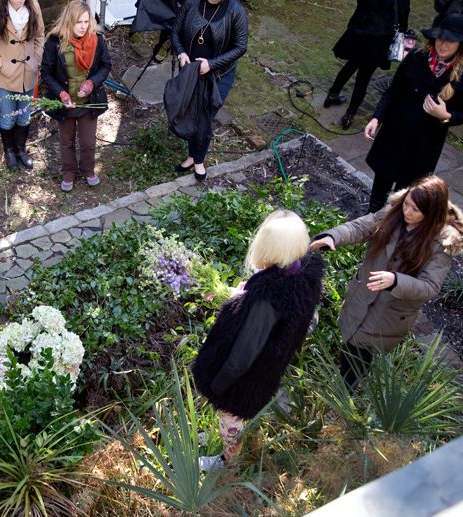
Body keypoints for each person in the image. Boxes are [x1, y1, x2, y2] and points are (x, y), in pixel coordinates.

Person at [191, 211, 325, 471]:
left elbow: (241, 357)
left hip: (244, 382)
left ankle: (229, 461)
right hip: (268, 370)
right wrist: (238, 297)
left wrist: (217, 387)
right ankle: (231, 439)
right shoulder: (301, 274)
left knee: (231, 419)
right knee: (236, 417)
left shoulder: (268, 298)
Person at [310, 176, 463, 388]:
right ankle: (345, 382)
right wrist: (333, 237)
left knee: (359, 359)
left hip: (388, 315)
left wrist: (396, 281)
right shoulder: (395, 212)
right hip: (362, 297)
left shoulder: (441, 243)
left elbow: (430, 287)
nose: (407, 212)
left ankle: (345, 396)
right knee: (351, 344)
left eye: (415, 210)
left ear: (431, 214)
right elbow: (362, 227)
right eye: (406, 204)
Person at [363, 14, 463, 213]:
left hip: (424, 145)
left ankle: (391, 224)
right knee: (380, 185)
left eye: (450, 41)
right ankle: (370, 219)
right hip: (395, 133)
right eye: (440, 39)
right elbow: (393, 91)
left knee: (405, 194)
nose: (443, 45)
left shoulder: (461, 75)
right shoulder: (416, 58)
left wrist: (446, 116)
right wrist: (376, 118)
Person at [170, 0, 248, 180]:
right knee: (191, 113)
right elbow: (175, 32)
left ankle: (198, 160)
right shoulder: (191, 3)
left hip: (219, 74)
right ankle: (192, 156)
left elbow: (241, 46)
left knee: (205, 117)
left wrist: (211, 65)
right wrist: (181, 52)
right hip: (191, 72)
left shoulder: (236, 11)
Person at [41, 1, 112, 192]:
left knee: (88, 142)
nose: (83, 26)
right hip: (66, 104)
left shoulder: (97, 40)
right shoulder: (55, 42)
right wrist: (62, 94)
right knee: (67, 141)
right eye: (78, 22)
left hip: (88, 102)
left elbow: (105, 66)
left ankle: (88, 169)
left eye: (86, 22)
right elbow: (46, 73)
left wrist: (91, 83)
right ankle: (69, 172)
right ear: (69, 21)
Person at [324, 0, 410, 130]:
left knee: (351, 65)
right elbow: (403, 12)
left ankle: (332, 95)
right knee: (363, 77)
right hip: (379, 37)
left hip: (361, 29)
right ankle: (349, 115)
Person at [0, 0, 44, 171]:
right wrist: (1, 65)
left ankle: (21, 150)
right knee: (8, 118)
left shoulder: (33, 6)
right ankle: (9, 152)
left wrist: (36, 60)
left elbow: (39, 36)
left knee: (24, 115)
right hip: (5, 77)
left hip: (28, 74)